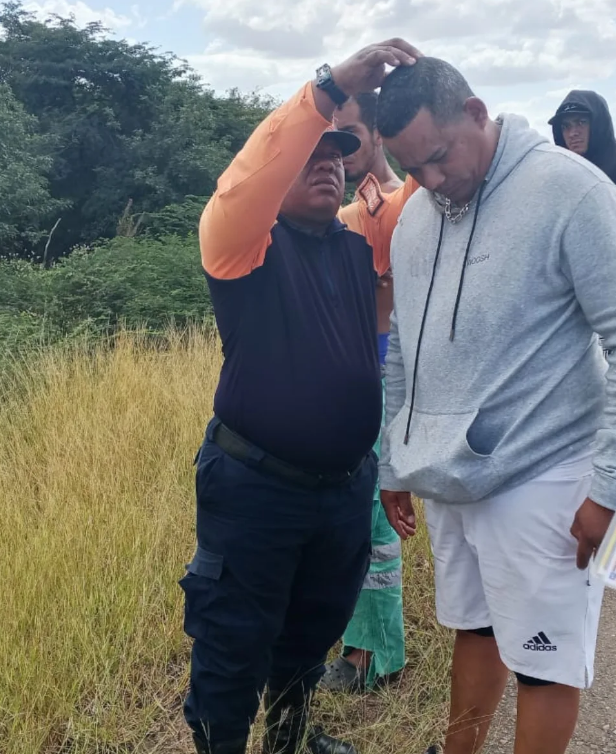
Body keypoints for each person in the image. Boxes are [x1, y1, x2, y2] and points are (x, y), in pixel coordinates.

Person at [180, 40, 419, 754]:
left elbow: (421, 195)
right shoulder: (241, 245)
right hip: (256, 488)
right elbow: (245, 180)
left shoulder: (358, 242)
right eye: (309, 154)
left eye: (336, 154)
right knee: (232, 646)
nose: (326, 163)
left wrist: (399, 115)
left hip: (342, 491)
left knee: (310, 635)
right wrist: (328, 87)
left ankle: (287, 741)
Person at [375, 56, 616, 754]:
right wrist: (393, 461)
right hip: (448, 479)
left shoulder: (571, 191)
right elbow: (402, 352)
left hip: (545, 475)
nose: (431, 180)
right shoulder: (416, 219)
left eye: (439, 156)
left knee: (543, 663)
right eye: (412, 167)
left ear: (477, 113)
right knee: (475, 631)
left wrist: (606, 488)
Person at [320, 94, 406, 693]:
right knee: (352, 507)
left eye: (351, 132)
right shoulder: (347, 213)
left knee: (375, 510)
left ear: (379, 132)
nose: (343, 148)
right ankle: (358, 638)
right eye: (333, 136)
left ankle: (373, 652)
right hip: (351, 374)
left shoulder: (410, 203)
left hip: (389, 373)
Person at [549, 90, 616, 183]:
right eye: (565, 126)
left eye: (581, 122)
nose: (572, 133)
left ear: (599, 124)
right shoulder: (560, 176)